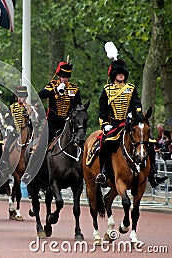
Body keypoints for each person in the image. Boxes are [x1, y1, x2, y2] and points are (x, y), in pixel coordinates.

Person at [95, 59, 167, 187]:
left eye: (122, 73)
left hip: (130, 123)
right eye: (118, 73)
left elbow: (137, 104)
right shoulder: (107, 90)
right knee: (105, 143)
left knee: (149, 143)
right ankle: (103, 173)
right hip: (114, 125)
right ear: (114, 75)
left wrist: (136, 114)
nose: (121, 75)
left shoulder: (131, 88)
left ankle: (153, 175)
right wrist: (105, 124)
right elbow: (102, 111)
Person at [39, 61, 82, 143]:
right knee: (43, 143)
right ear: (59, 76)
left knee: (79, 139)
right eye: (63, 77)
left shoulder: (74, 89)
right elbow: (41, 95)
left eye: (66, 77)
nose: (64, 79)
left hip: (67, 122)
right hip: (53, 122)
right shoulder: (53, 85)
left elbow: (78, 105)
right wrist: (55, 90)